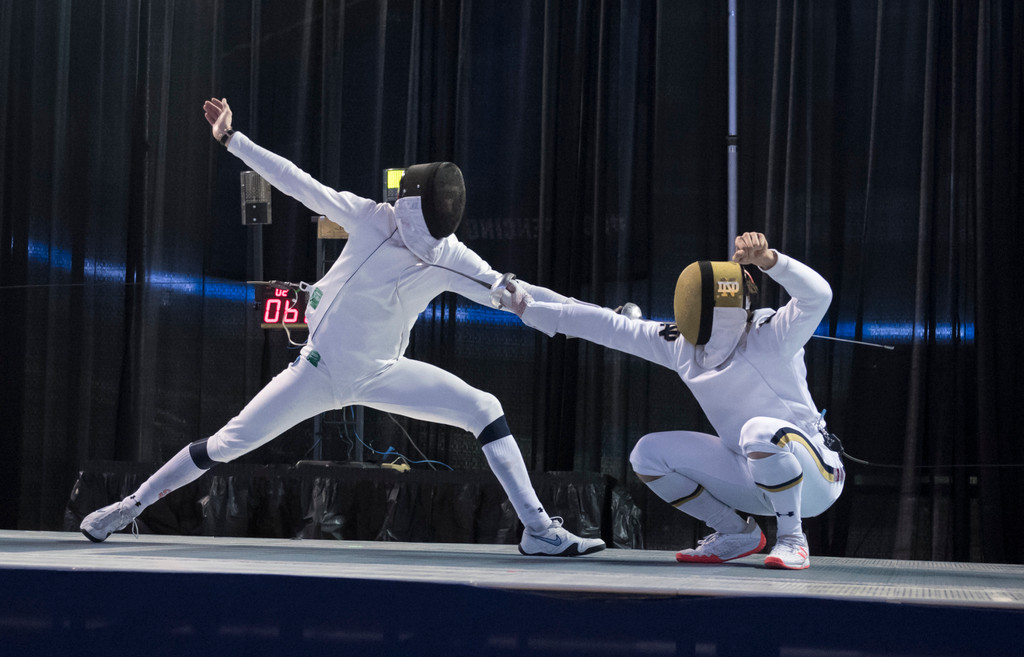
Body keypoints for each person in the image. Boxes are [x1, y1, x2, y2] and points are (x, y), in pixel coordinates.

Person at [79, 97, 605, 558]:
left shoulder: (450, 258)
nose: (398, 200)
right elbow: (296, 182)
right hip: (317, 370)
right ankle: (131, 504)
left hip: (381, 372)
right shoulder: (372, 216)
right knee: (224, 444)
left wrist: (511, 293)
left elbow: (498, 285)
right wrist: (233, 139)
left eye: (409, 198)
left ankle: (538, 530)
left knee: (484, 408)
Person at [496, 232, 843, 569]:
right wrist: (530, 306)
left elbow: (818, 296)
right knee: (648, 455)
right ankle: (736, 532)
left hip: (816, 476)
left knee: (759, 431)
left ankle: (793, 539)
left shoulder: (774, 333)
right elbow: (607, 325)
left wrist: (770, 260)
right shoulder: (681, 345)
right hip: (752, 474)